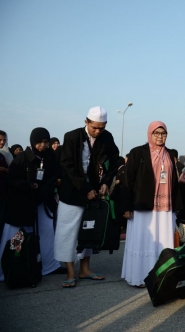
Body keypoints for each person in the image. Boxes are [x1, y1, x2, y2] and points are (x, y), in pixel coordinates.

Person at [54, 106, 121, 288]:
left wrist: (106, 181)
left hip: (94, 192)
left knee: (89, 230)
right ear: (86, 122)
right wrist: (85, 188)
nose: (98, 131)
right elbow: (67, 166)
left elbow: (116, 160)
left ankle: (85, 269)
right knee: (68, 231)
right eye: (94, 128)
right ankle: (70, 271)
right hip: (72, 192)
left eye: (102, 127)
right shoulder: (71, 137)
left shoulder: (107, 137)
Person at [121, 121, 185, 287]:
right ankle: (140, 276)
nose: (159, 136)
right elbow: (128, 181)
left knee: (164, 241)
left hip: (165, 208)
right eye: (156, 133)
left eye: (163, 133)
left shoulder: (170, 154)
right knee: (143, 240)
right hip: (143, 205)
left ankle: (162, 277)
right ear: (149, 134)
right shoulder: (138, 153)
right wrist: (127, 207)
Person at [0, 128, 63, 281]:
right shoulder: (21, 158)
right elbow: (12, 179)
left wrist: (45, 190)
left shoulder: (50, 157)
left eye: (46, 142)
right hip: (21, 203)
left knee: (47, 231)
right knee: (14, 234)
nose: (43, 145)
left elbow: (54, 175)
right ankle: (5, 269)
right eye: (40, 142)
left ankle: (49, 265)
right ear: (33, 142)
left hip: (42, 201)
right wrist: (28, 185)